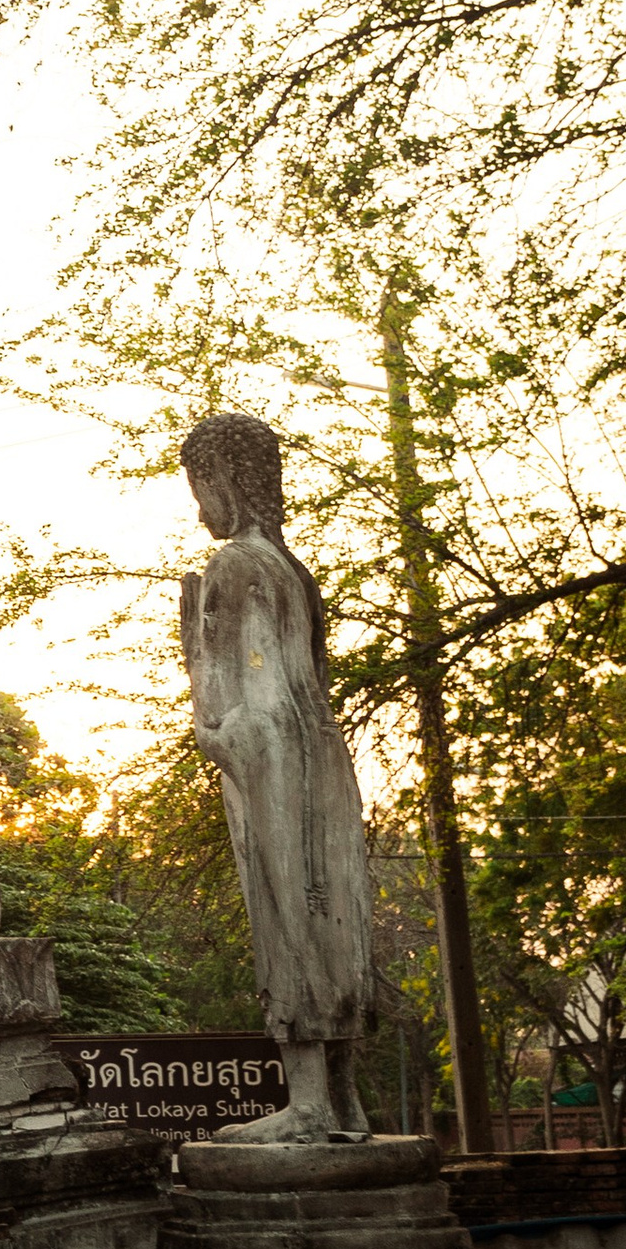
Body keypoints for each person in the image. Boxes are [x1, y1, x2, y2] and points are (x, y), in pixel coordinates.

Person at [179, 410, 376, 1144]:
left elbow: (248, 695)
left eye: (201, 484)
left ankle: (312, 1104)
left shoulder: (235, 566)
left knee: (291, 916)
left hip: (271, 758)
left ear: (228, 480)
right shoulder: (295, 570)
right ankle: (345, 1104)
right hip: (321, 757)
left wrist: (205, 706)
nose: (200, 505)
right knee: (331, 917)